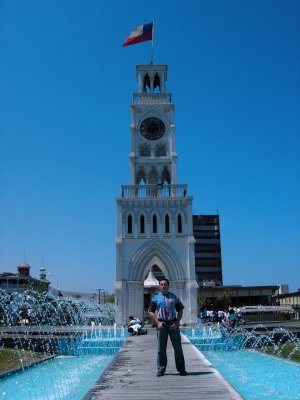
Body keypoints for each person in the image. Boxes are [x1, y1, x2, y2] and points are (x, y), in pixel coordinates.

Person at [148, 278, 187, 377]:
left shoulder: (174, 297)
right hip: (162, 325)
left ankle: (181, 369)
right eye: (161, 284)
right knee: (161, 348)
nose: (163, 286)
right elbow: (151, 311)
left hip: (173, 324)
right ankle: (161, 368)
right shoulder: (156, 298)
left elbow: (180, 309)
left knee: (178, 347)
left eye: (165, 284)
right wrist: (157, 322)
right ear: (159, 286)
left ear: (168, 285)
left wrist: (178, 322)